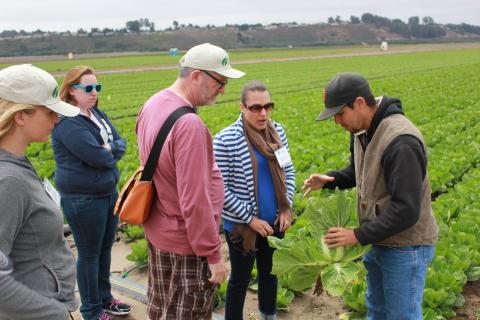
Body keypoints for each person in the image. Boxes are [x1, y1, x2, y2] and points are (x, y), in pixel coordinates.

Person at [302, 72, 439, 320]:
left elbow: (407, 210)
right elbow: (360, 171)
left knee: (402, 316)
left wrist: (357, 235)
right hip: (378, 240)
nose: (337, 121)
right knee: (376, 312)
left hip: (405, 248)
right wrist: (331, 179)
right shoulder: (362, 130)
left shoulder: (400, 141)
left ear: (360, 103)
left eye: (340, 113)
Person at [136, 43, 245, 319]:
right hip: (186, 243)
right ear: (196, 76)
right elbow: (194, 201)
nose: (223, 89)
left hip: (159, 232)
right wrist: (213, 255)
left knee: (162, 309)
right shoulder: (189, 125)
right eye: (220, 81)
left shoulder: (153, 104)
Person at [0, 64, 80, 319]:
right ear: (20, 115)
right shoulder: (9, 181)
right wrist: (53, 313)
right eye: (49, 112)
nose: (57, 119)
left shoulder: (17, 161)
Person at [51, 66, 130, 320]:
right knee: (88, 255)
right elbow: (98, 157)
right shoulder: (69, 121)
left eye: (97, 87)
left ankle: (105, 300)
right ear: (72, 90)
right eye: (88, 88)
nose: (94, 92)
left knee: (105, 249)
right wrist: (109, 151)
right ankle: (92, 311)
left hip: (107, 193)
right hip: (83, 199)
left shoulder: (97, 114)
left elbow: (122, 143)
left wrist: (110, 149)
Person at [213, 80, 295, 320]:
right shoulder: (226, 140)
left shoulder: (277, 131)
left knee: (270, 275)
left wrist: (286, 209)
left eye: (268, 106)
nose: (263, 113)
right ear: (242, 107)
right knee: (240, 279)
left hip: (275, 222)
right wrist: (250, 219)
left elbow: (287, 171)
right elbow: (219, 189)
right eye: (255, 107)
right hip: (241, 226)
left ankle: (268, 316)